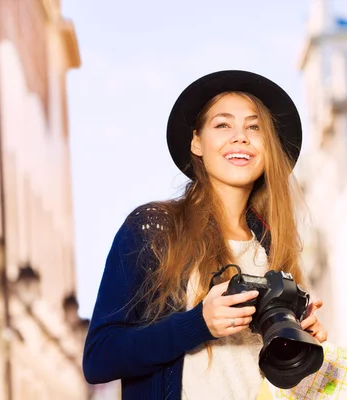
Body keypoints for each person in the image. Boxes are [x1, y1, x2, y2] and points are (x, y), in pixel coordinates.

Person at [82, 70, 328, 399]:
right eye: (223, 124)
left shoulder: (273, 246)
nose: (240, 137)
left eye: (254, 127)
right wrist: (199, 323)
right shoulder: (154, 230)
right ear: (197, 142)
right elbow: (99, 358)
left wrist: (300, 345)